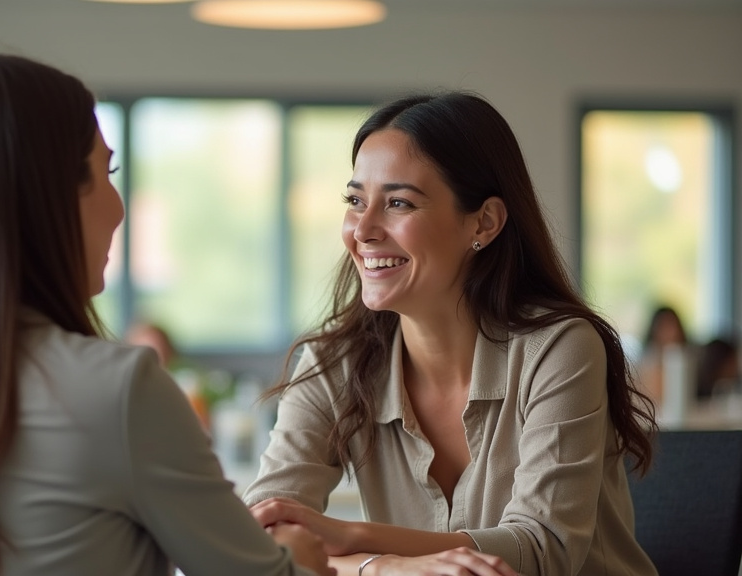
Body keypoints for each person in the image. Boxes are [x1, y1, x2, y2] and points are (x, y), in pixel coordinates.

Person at [0, 54, 334, 576]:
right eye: (105, 172)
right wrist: (299, 558)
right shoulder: (120, 391)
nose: (119, 208)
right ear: (45, 198)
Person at [242, 92, 658, 576]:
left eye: (398, 202)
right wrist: (380, 568)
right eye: (355, 201)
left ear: (484, 222)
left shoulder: (561, 349)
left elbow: (544, 551)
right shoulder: (334, 362)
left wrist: (351, 536)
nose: (363, 230)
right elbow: (262, 536)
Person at [636, 305, 690, 406]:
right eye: (664, 327)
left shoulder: (685, 359)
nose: (670, 332)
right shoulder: (648, 360)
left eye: (672, 326)